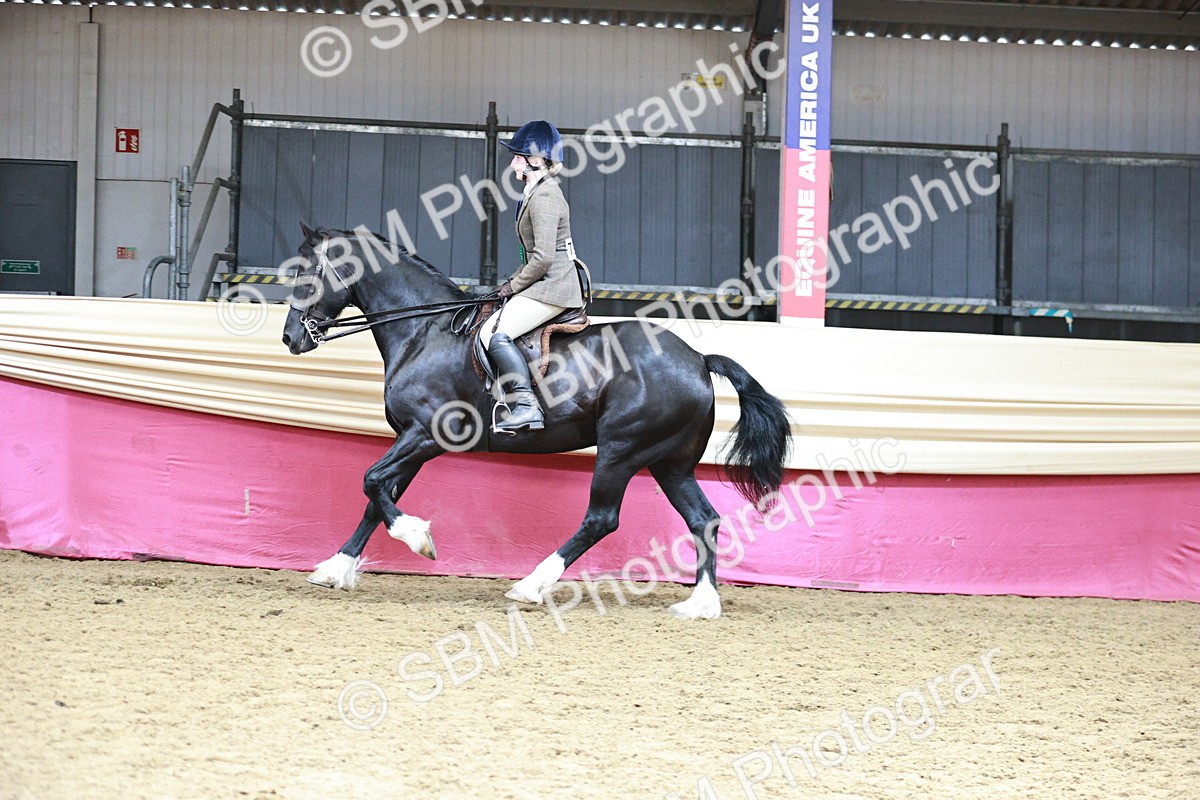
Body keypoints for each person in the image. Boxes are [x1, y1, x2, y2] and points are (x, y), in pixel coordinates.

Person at [480, 119, 588, 434]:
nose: (513, 161)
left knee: (494, 335)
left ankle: (526, 405)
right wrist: (511, 282)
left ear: (536, 160)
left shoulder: (544, 197)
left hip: (554, 286)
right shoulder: (534, 192)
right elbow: (526, 254)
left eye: (518, 156)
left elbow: (541, 258)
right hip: (544, 281)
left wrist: (511, 287)